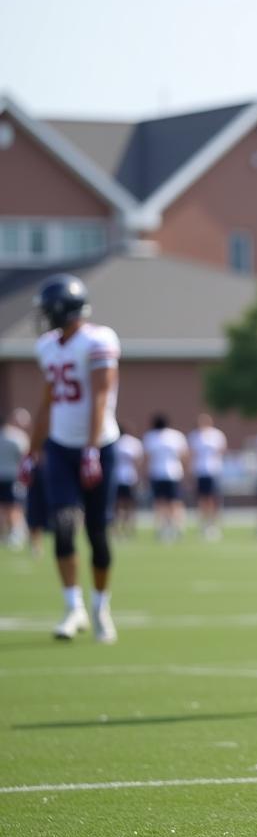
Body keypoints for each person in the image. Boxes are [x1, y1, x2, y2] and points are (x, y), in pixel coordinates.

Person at [21, 273, 121, 642]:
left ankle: (100, 606)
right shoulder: (48, 346)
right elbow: (48, 401)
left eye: (49, 310)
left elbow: (99, 397)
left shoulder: (99, 340)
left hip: (100, 445)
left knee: (97, 532)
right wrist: (32, 451)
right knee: (63, 526)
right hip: (61, 447)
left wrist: (92, 449)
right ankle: (72, 606)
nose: (44, 317)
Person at [142, 414, 189, 541]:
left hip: (157, 473)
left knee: (160, 502)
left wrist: (145, 474)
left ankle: (163, 528)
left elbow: (147, 457)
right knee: (175, 502)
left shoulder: (150, 437)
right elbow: (184, 455)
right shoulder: (176, 436)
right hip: (174, 473)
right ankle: (177, 528)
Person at [188, 413, 227, 540]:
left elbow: (222, 450)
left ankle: (213, 524)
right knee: (202, 499)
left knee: (213, 499)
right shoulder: (194, 436)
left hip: (213, 470)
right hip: (200, 471)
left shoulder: (216, 435)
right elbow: (191, 454)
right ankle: (203, 524)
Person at [0, 409, 30, 547]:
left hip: (4, 476)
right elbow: (26, 458)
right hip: (13, 477)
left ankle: (9, 533)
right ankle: (15, 533)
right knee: (14, 506)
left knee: (5, 506)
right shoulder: (18, 438)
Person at [112, 423, 144, 537]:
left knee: (117, 506)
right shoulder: (134, 443)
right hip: (130, 477)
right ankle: (128, 529)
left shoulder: (114, 443)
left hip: (116, 478)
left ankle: (117, 529)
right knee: (129, 506)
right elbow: (138, 462)